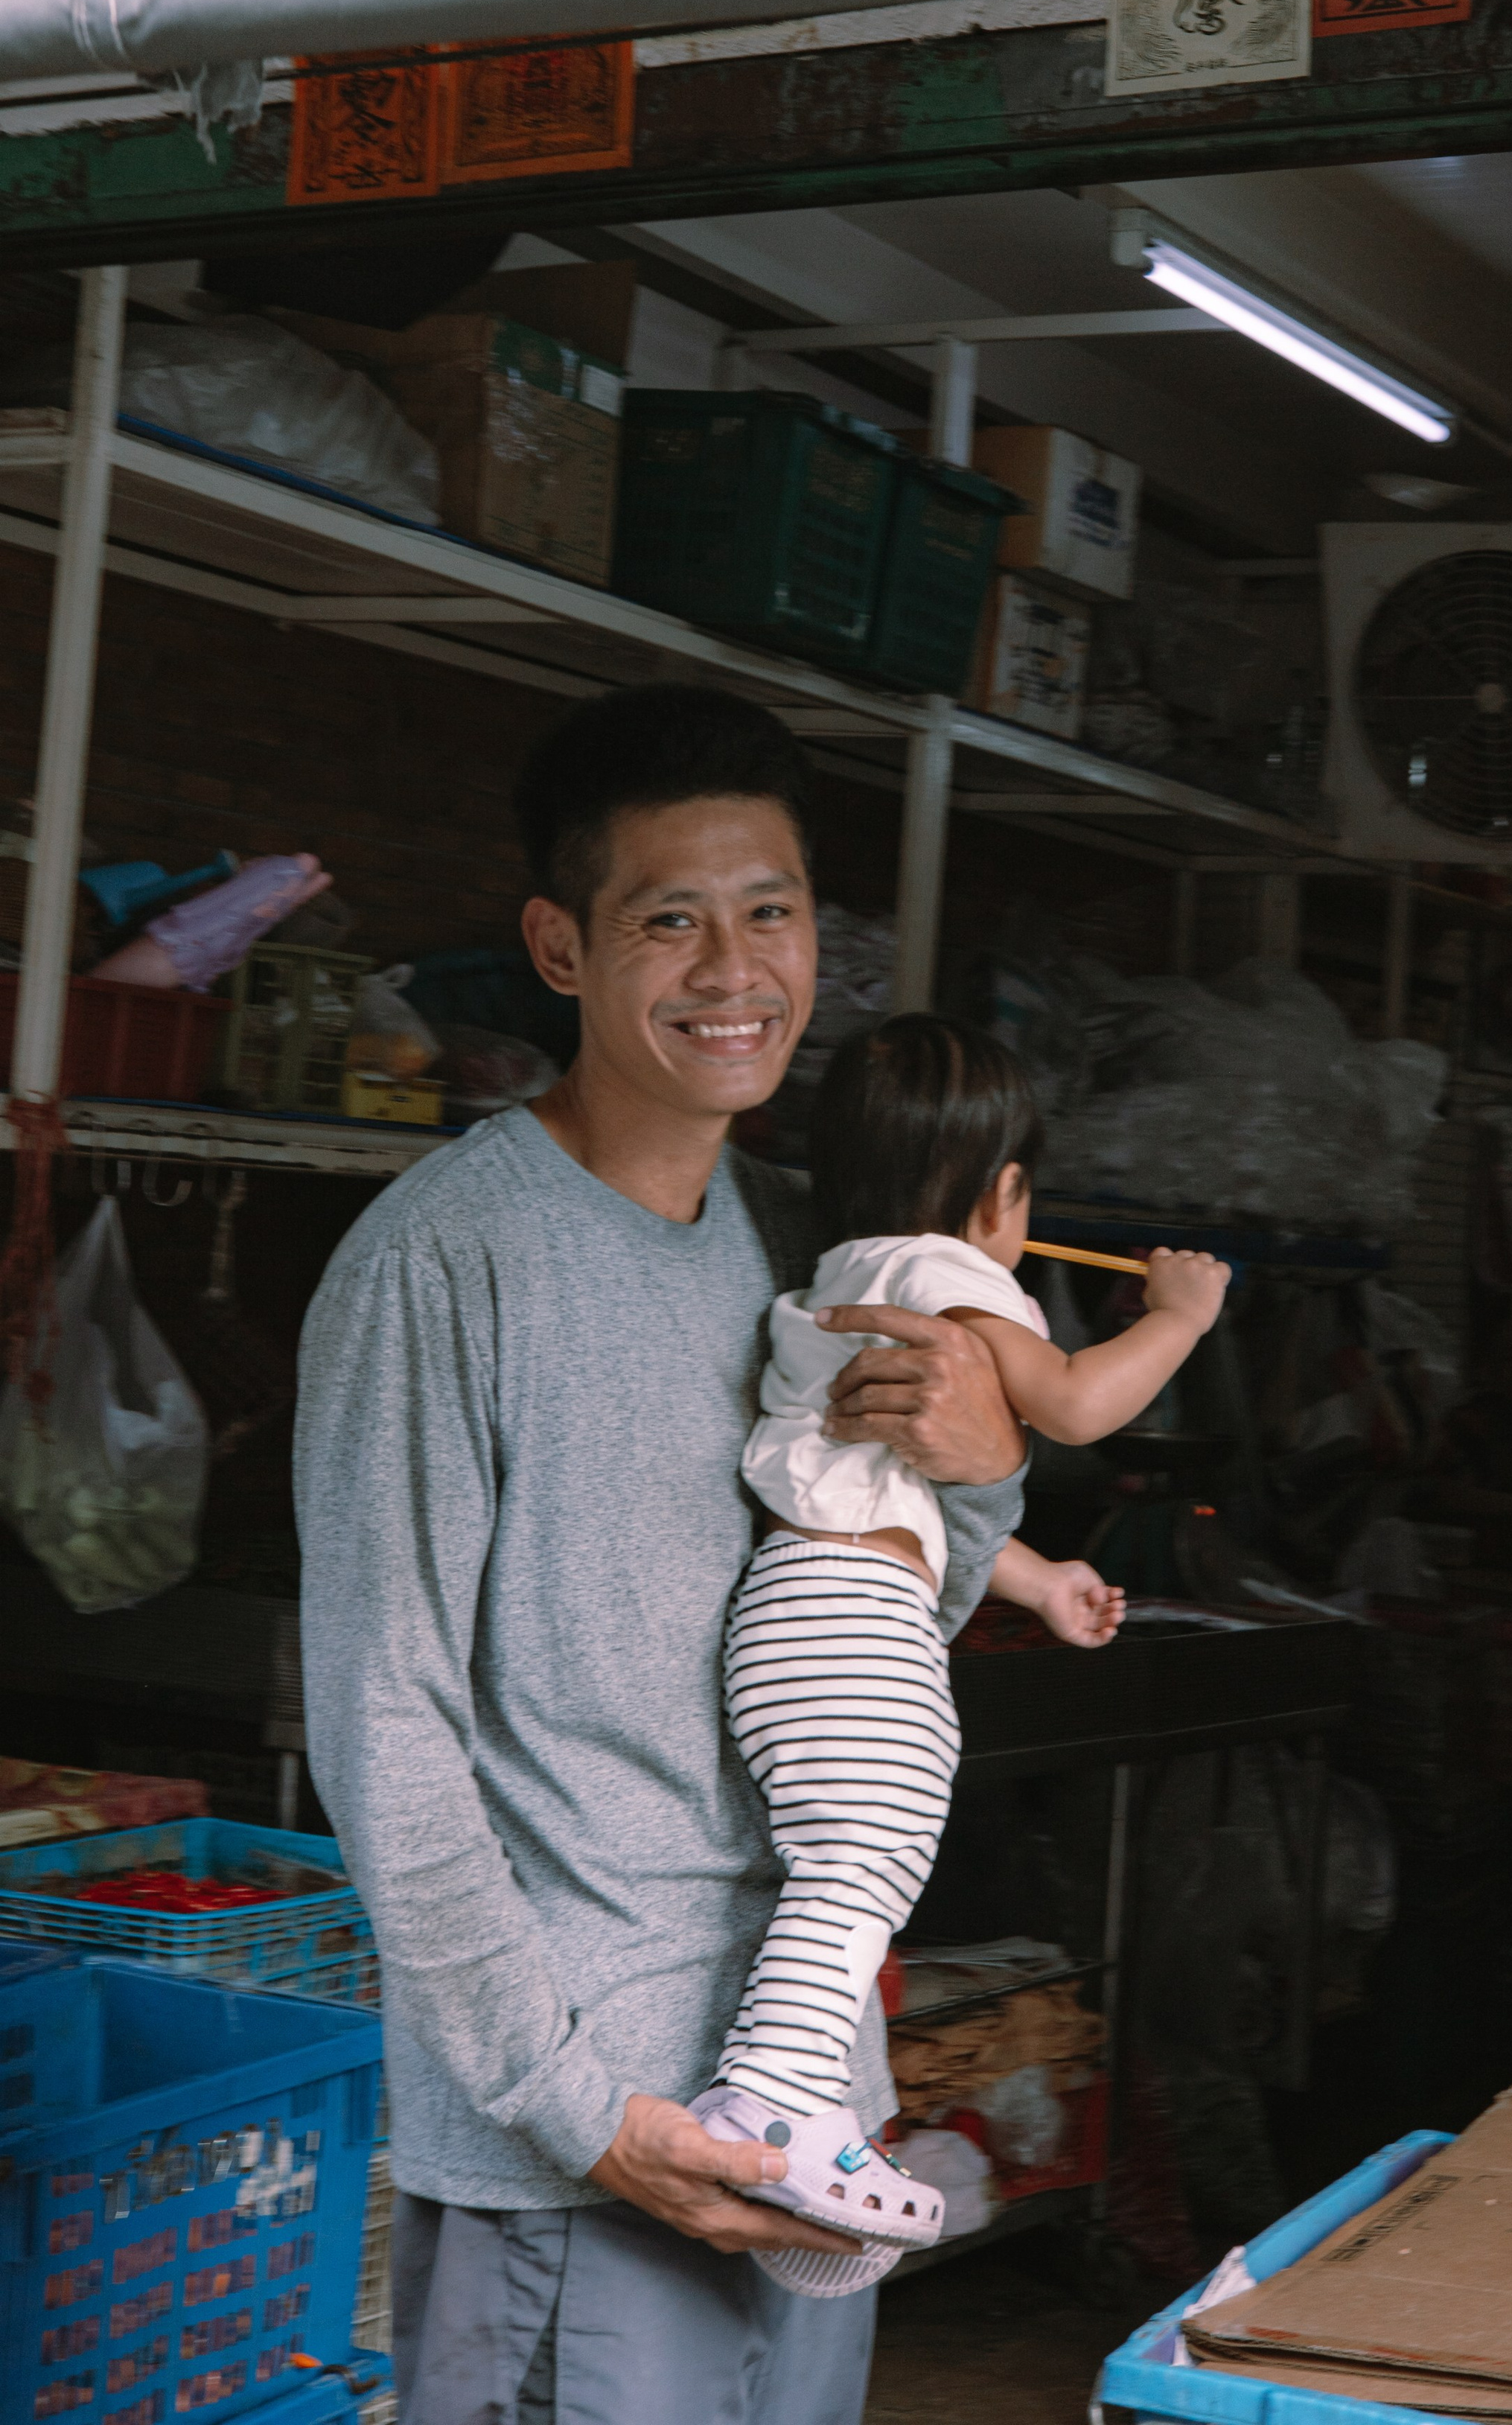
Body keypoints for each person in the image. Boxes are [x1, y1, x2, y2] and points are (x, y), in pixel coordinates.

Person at [293, 686, 1029, 2425]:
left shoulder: (789, 1246)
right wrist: (574, 2109)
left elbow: (884, 1597)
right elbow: (383, 1724)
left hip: (799, 2113)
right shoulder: (445, 1265)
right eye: (667, 920)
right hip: (592, 2150)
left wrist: (987, 1468)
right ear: (561, 944)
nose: (731, 971)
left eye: (766, 911)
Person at [692, 1014, 1229, 2289]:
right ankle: (769, 2109)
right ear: (1005, 1195)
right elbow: (1085, 1406)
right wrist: (1180, 1317)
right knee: (862, 1860)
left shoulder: (843, 1273)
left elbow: (894, 1495)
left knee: (849, 1864)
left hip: (802, 1603)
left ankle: (799, 2106)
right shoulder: (950, 1274)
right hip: (851, 1620)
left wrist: (1041, 1584)